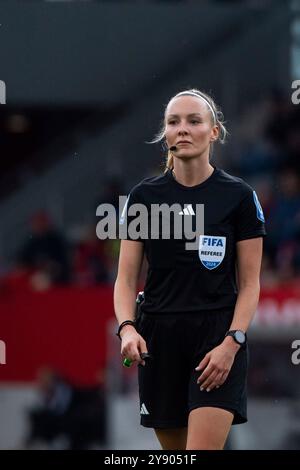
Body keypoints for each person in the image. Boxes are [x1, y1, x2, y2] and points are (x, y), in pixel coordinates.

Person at [113, 88, 266, 450]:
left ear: (213, 131)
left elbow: (250, 284)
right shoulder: (143, 198)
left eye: (194, 121)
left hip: (216, 341)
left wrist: (233, 341)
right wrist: (127, 329)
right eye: (173, 122)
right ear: (165, 133)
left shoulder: (240, 196)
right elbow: (125, 278)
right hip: (158, 340)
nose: (182, 129)